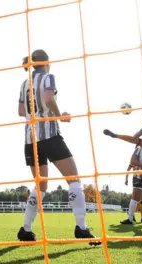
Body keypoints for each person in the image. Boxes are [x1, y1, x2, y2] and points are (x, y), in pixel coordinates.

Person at [17, 50, 100, 246]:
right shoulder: (48, 77)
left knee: (41, 186)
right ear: (46, 62)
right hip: (50, 136)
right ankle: (81, 227)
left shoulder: (24, 83)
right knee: (74, 179)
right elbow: (47, 99)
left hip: (30, 140)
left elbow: (21, 111)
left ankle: (26, 229)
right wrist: (59, 114)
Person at [121, 144, 142, 224]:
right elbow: (129, 167)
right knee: (135, 197)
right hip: (137, 177)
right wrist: (126, 178)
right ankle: (130, 218)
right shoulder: (139, 149)